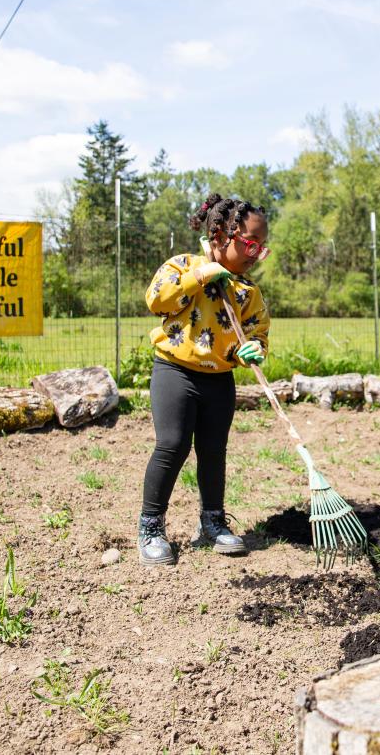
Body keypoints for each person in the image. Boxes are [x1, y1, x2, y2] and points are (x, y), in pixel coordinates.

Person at [137, 192, 271, 565]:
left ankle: (212, 521)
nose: (254, 253)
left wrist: (254, 351)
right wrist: (199, 276)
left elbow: (258, 331)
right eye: (248, 243)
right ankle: (151, 525)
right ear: (218, 236)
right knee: (173, 444)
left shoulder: (246, 291)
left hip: (219, 380)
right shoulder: (182, 266)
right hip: (175, 371)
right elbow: (157, 300)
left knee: (213, 451)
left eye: (261, 247)